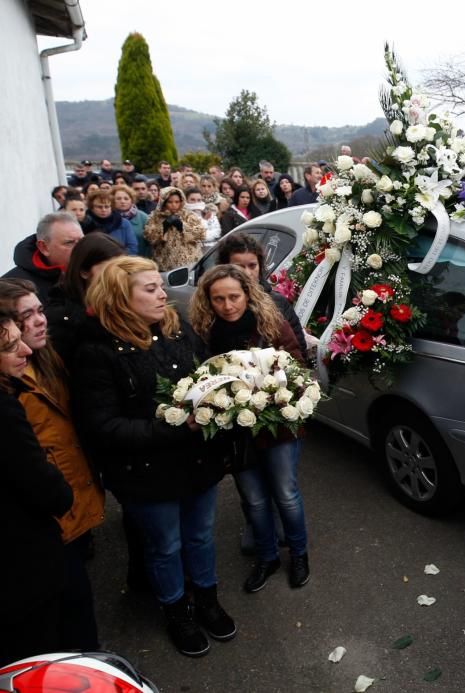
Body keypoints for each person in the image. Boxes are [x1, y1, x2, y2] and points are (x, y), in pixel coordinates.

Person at [72, 256, 235, 657]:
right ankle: (177, 611)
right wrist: (177, 427)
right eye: (150, 288)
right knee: (165, 546)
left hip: (198, 462)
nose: (163, 293)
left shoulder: (175, 327)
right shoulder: (96, 350)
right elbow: (104, 427)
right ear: (119, 297)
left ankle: (207, 600)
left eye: (160, 286)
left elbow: (206, 374)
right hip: (147, 474)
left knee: (199, 536)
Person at [189, 264, 311, 592]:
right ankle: (267, 556)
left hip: (278, 427)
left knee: (285, 494)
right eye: (218, 299)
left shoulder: (270, 322)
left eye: (234, 296)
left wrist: (272, 387)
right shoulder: (203, 333)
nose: (228, 306)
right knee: (254, 500)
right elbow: (197, 379)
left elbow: (297, 363)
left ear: (247, 293)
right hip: (236, 433)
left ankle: (299, 554)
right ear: (207, 301)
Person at [0, 279, 104, 652]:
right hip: (45, 519)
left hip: (68, 505)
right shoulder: (11, 388)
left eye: (40, 309)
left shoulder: (47, 357)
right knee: (65, 616)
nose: (39, 321)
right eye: (26, 315)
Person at [0, 309, 73, 665]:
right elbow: (44, 487)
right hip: (21, 568)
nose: (26, 352)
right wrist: (62, 489)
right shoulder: (5, 410)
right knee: (35, 659)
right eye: (10, 346)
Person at [216, 233, 308, 356]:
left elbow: (298, 349)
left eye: (252, 266)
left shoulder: (278, 303)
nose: (247, 273)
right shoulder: (216, 305)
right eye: (239, 267)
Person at [46, 233, 126, 366]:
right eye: (108, 268)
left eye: (122, 267)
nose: (118, 275)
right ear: (84, 271)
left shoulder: (126, 300)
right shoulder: (62, 316)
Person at [3, 212, 83, 303]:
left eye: (82, 241)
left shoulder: (91, 270)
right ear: (44, 247)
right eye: (69, 243)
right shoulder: (10, 287)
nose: (80, 248)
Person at [144, 186, 206, 271]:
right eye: (170, 202)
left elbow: (201, 234)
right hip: (164, 263)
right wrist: (164, 226)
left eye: (177, 202)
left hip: (190, 262)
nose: (174, 205)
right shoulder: (155, 217)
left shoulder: (188, 215)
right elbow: (149, 237)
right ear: (164, 202)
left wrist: (181, 226)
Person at [83, 189, 138, 255]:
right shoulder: (85, 223)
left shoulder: (123, 223)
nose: (103, 210)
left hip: (120, 261)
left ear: (111, 207)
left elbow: (132, 247)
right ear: (91, 207)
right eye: (99, 207)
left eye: (107, 206)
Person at [112, 184, 149, 258]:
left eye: (126, 199)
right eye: (118, 199)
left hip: (140, 260)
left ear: (132, 200)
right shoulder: (108, 217)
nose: (122, 201)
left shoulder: (143, 217)